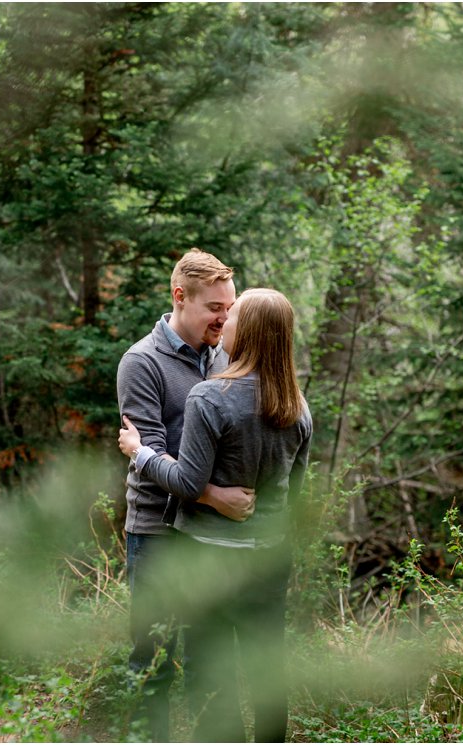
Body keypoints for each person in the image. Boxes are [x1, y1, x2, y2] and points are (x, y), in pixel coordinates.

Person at [119, 288, 313, 742]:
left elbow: (188, 484)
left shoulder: (210, 397)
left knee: (210, 677)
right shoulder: (297, 407)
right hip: (267, 562)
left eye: (234, 314)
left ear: (250, 333)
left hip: (209, 557)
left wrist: (141, 453)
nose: (223, 322)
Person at [116, 248, 256, 742]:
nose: (226, 317)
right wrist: (217, 496)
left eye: (230, 306)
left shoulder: (225, 356)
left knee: (208, 657)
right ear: (181, 297)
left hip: (206, 537)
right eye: (215, 307)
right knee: (152, 655)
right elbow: (147, 456)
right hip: (155, 530)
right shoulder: (141, 362)